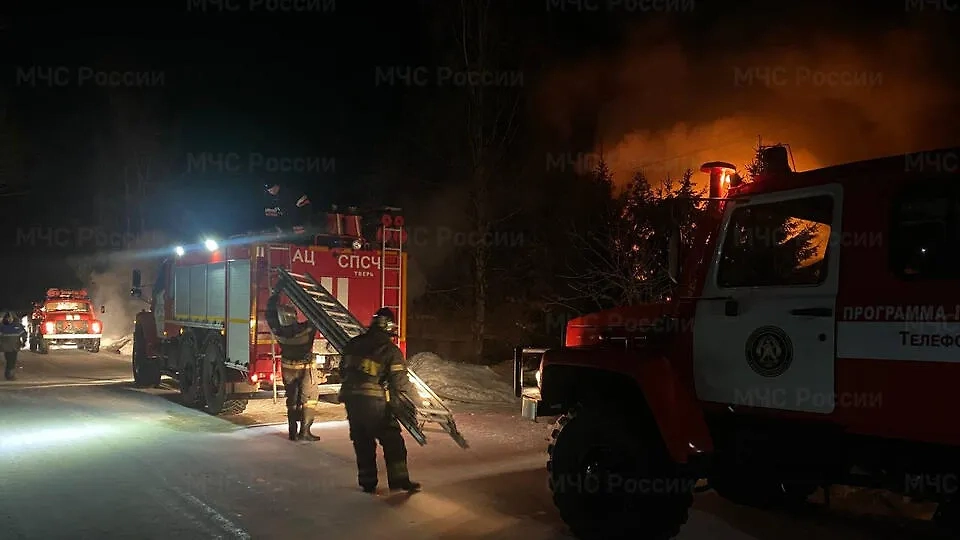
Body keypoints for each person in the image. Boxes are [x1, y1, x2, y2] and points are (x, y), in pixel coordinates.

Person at [338, 307, 421, 494]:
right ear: (390, 327)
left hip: (351, 400)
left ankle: (367, 482)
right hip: (373, 403)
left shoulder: (354, 343)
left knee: (362, 441)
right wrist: (415, 400)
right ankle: (399, 480)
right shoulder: (389, 350)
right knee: (392, 439)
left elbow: (342, 370)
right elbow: (400, 382)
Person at [265, 291, 321, 442]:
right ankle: (305, 432)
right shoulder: (305, 330)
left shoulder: (277, 330)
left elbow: (269, 314)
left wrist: (274, 296)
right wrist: (310, 299)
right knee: (309, 399)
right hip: (306, 370)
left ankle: (292, 432)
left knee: (292, 399)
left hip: (288, 369)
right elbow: (316, 316)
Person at [1, 312, 27, 380]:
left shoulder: (17, 326)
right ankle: (9, 375)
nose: (9, 319)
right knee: (10, 361)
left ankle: (9, 374)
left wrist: (24, 342)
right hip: (8, 347)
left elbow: (24, 335)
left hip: (13, 347)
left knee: (11, 361)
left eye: (10, 318)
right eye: (8, 318)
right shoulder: (3, 327)